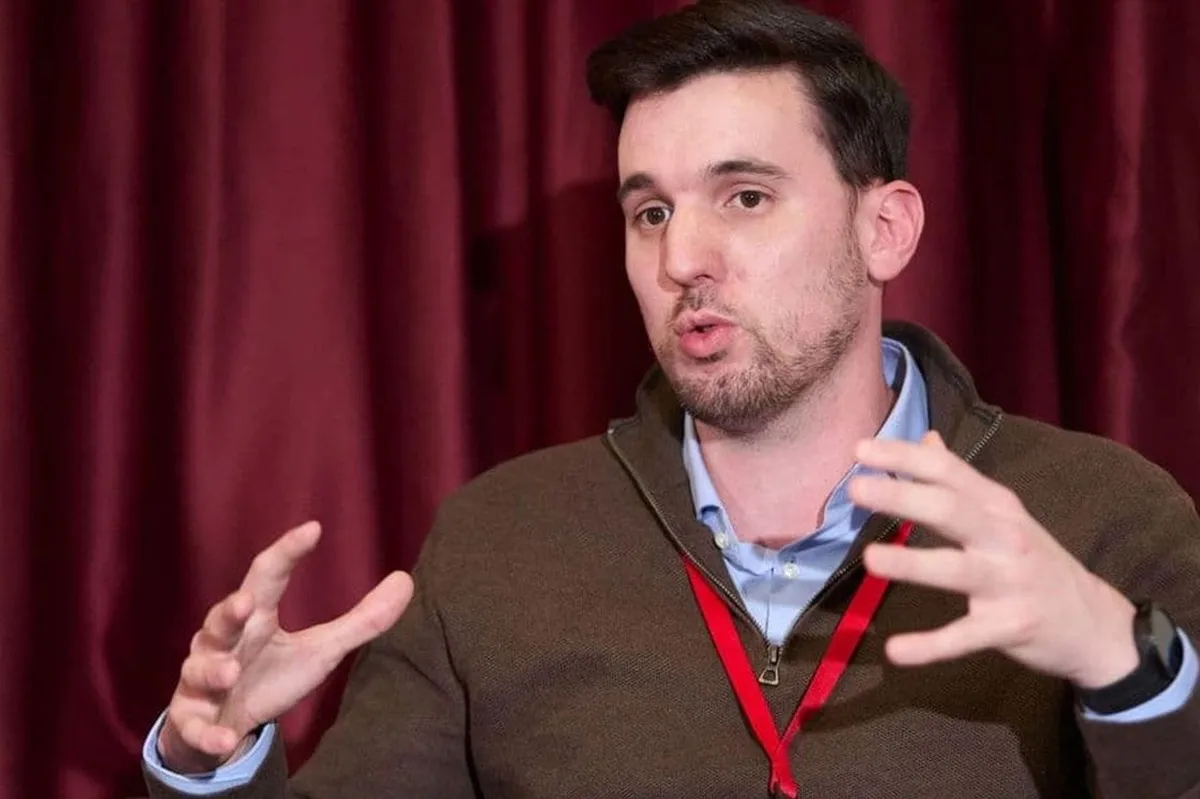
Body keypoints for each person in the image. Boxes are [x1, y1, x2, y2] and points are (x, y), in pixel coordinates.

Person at [140, 1, 1200, 797]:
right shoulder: (500, 541)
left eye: (746, 197)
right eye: (650, 212)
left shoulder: (1099, 517)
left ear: (885, 230)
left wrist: (1132, 678)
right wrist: (208, 763)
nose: (682, 256)